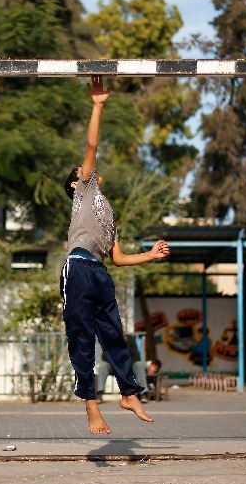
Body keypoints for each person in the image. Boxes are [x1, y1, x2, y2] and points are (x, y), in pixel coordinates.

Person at [60, 74, 170, 435]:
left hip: (99, 272)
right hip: (78, 267)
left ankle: (128, 393)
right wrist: (97, 106)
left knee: (114, 336)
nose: (87, 168)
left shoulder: (107, 213)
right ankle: (91, 406)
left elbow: (118, 258)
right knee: (82, 339)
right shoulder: (83, 192)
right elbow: (91, 145)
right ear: (76, 182)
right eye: (81, 170)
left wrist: (150, 256)